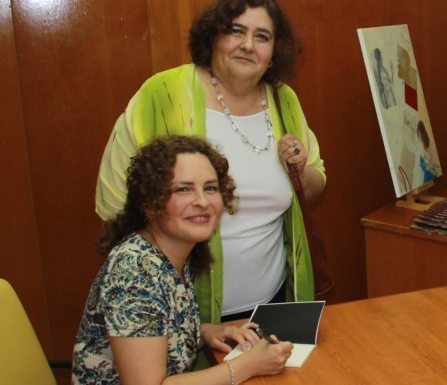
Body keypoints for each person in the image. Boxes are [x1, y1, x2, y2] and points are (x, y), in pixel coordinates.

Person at [96, 0, 327, 325]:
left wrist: (300, 169)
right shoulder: (161, 94)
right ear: (213, 37)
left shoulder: (284, 100)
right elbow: (116, 205)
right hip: (180, 311)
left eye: (262, 36)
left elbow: (316, 185)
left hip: (274, 304)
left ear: (274, 52)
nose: (248, 45)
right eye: (236, 31)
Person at [74, 136, 293, 384]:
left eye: (210, 188)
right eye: (183, 189)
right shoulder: (134, 271)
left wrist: (204, 332)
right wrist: (248, 365)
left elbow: (154, 336)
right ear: (150, 203)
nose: (202, 201)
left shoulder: (172, 253)